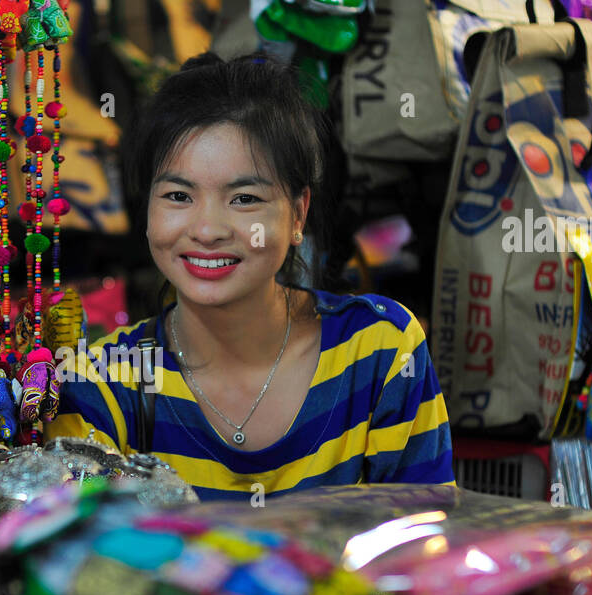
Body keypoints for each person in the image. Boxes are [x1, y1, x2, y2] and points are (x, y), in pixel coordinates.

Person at [45, 53, 455, 500]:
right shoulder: (101, 383)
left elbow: (422, 548)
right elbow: (87, 561)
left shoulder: (380, 350)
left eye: (244, 198)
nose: (207, 230)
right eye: (178, 195)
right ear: (147, 211)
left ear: (298, 214)